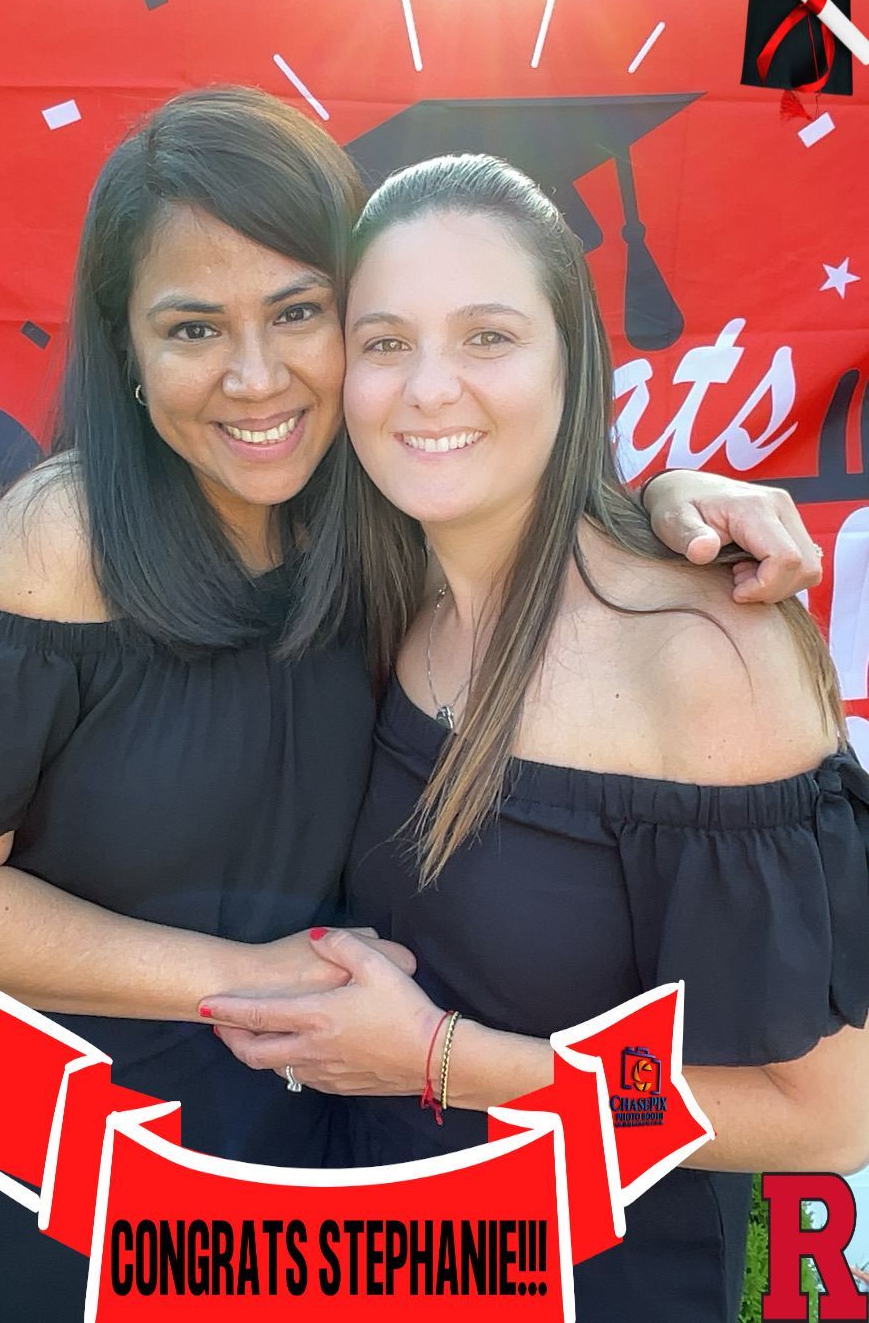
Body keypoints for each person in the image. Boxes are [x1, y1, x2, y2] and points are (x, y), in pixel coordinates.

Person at [0, 90, 820, 1323]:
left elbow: (530, 489)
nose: (254, 378)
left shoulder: (383, 523)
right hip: (2, 1163)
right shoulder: (62, 540)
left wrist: (665, 500)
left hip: (259, 1172)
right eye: (192, 327)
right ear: (125, 351)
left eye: (299, 313)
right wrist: (257, 980)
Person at [199, 152, 869, 1323]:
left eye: (488, 337)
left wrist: (440, 1059)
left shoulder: (701, 655)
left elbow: (825, 1115)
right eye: (387, 342)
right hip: (391, 1262)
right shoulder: (390, 598)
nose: (428, 389)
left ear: (574, 360)